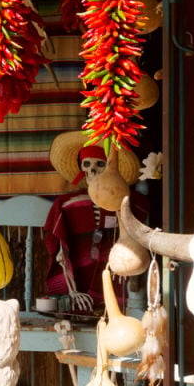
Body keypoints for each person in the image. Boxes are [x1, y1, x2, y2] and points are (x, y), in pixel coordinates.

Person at [43, 130, 144, 310]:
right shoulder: (66, 205)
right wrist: (72, 290)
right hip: (79, 283)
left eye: (100, 164)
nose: (92, 170)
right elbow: (60, 249)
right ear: (81, 168)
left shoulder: (128, 202)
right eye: (87, 164)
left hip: (118, 276)